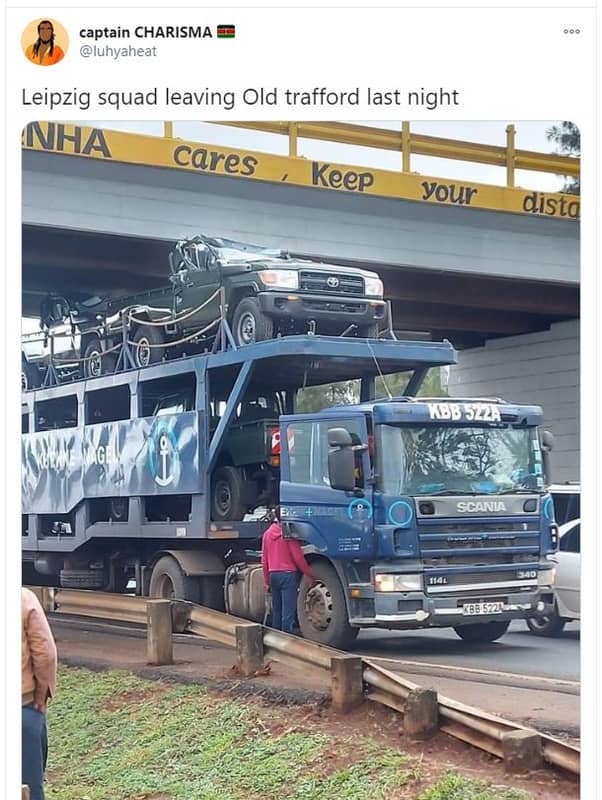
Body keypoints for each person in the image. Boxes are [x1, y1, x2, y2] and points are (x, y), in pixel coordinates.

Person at [22, 588, 58, 800]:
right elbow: (45, 653)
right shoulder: (22, 599)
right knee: (28, 786)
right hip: (23, 706)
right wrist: (41, 695)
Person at [261, 508, 315, 633]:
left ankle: (275, 637)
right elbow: (298, 557)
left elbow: (264, 560)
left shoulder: (267, 534)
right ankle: (287, 638)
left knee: (277, 610)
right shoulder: (288, 535)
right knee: (288, 612)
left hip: (273, 574)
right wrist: (309, 574)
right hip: (288, 575)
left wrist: (266, 581)